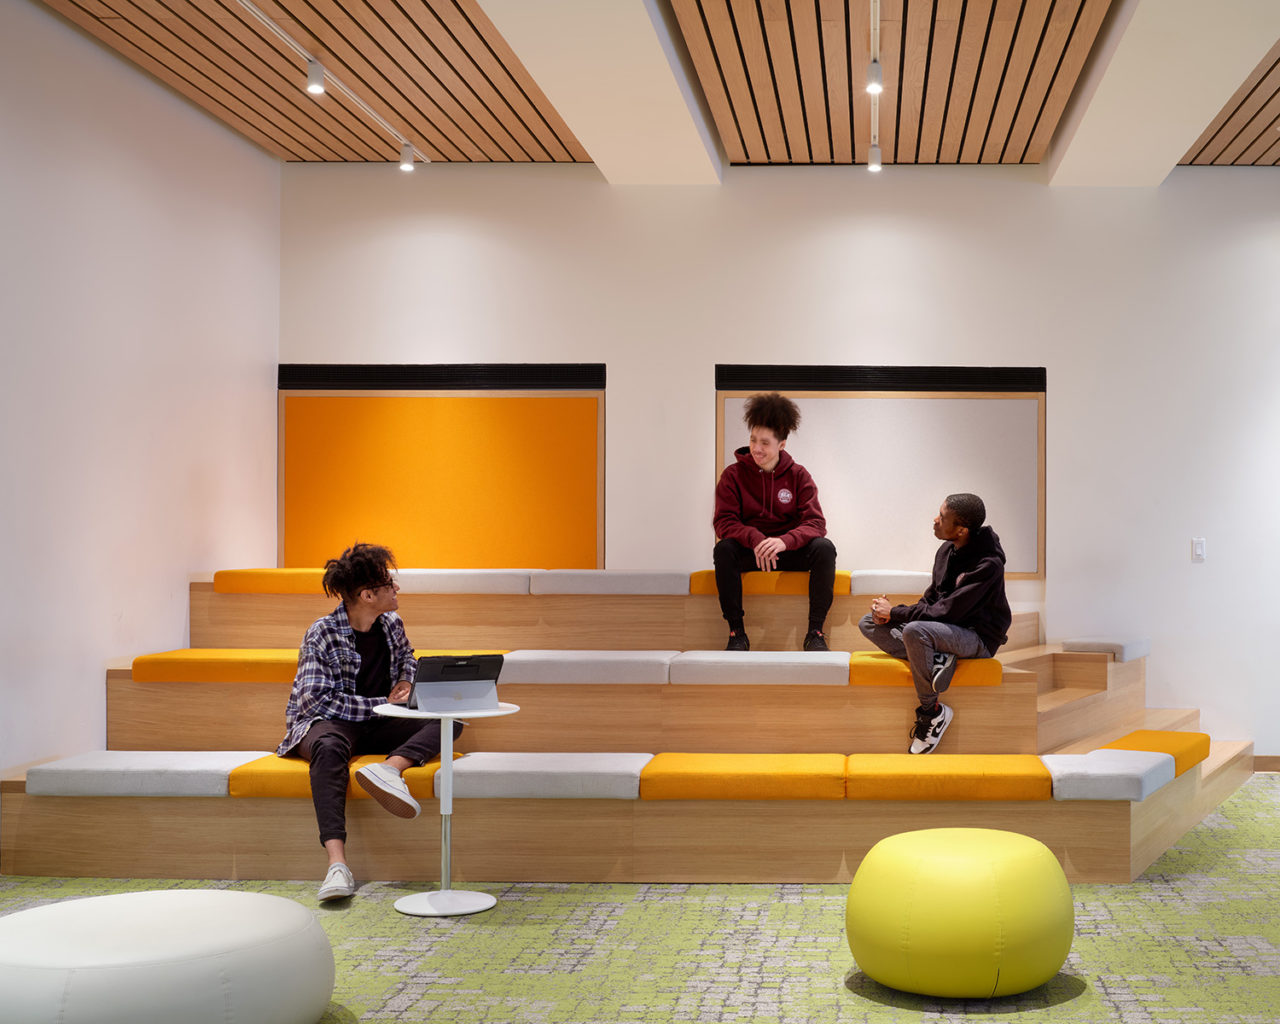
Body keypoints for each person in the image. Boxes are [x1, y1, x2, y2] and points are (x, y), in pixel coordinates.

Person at [276, 542, 462, 901]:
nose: (397, 589)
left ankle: (389, 770)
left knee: (449, 719)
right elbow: (318, 701)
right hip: (329, 722)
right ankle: (337, 866)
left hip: (377, 721)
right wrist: (382, 704)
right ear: (367, 595)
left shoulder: (390, 622)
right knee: (329, 750)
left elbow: (408, 656)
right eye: (390, 584)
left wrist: (407, 681)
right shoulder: (323, 632)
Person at [858, 493, 1011, 754]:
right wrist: (889, 615)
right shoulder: (946, 551)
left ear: (961, 530)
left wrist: (896, 612)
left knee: (916, 630)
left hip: (978, 637)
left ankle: (932, 712)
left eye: (942, 517)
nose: (935, 520)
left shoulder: (988, 564)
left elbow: (948, 611)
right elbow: (931, 600)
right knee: (868, 623)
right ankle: (939, 658)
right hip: (946, 630)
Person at [713, 392, 837, 652]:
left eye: (765, 443)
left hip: (787, 552)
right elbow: (724, 522)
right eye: (753, 440)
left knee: (824, 548)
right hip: (751, 552)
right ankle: (736, 633)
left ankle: (815, 633)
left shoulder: (799, 476)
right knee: (723, 549)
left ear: (781, 444)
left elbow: (815, 523)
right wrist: (756, 539)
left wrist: (783, 541)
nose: (757, 448)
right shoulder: (732, 475)